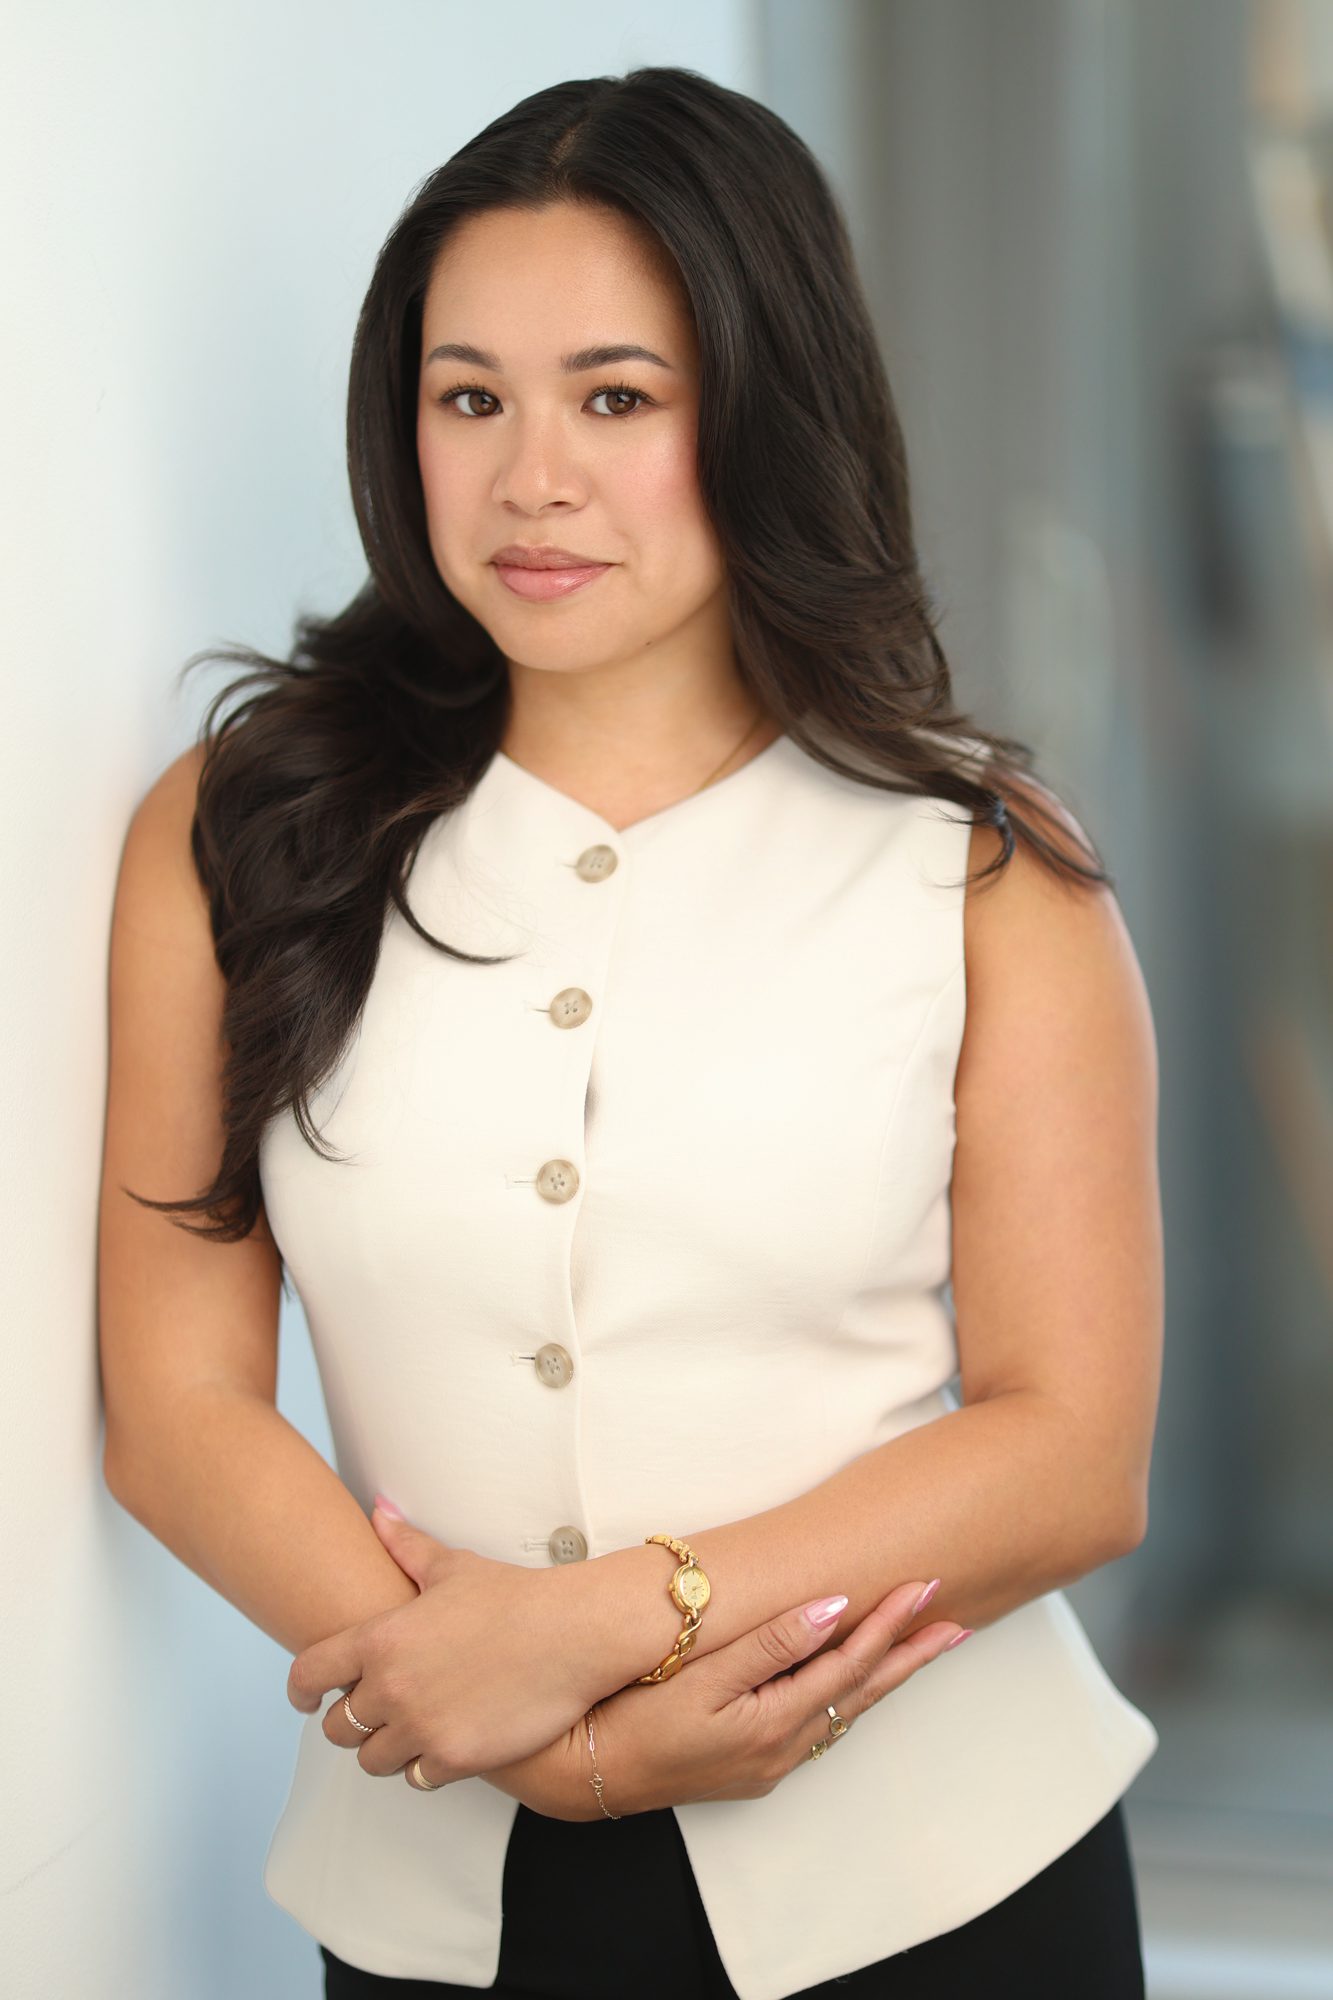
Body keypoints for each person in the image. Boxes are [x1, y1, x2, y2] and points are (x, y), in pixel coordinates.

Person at [98, 63, 1162, 2000]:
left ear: (761, 409)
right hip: (434, 1895)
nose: (531, 480)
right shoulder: (238, 830)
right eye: (468, 399)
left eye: (615, 398)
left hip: (942, 1882)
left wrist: (596, 1630)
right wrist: (512, 1722)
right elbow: (177, 1403)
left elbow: (1070, 1451)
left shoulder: (982, 866)